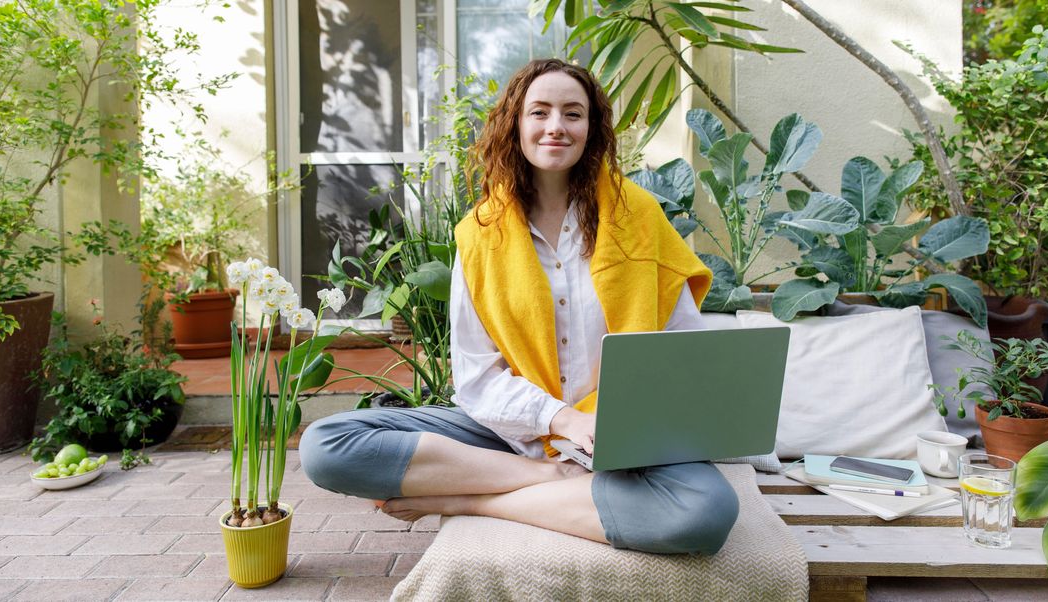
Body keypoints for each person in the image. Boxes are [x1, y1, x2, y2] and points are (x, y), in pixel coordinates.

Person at [299, 58, 739, 555]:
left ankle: (476, 501)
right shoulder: (480, 233)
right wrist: (561, 422)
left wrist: (610, 424)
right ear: (516, 124)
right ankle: (548, 475)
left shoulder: (640, 216)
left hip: (623, 433)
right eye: (540, 112)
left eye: (573, 113)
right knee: (327, 446)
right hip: (512, 435)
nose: (556, 126)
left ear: (591, 129)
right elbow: (477, 376)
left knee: (707, 513)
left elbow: (683, 346)